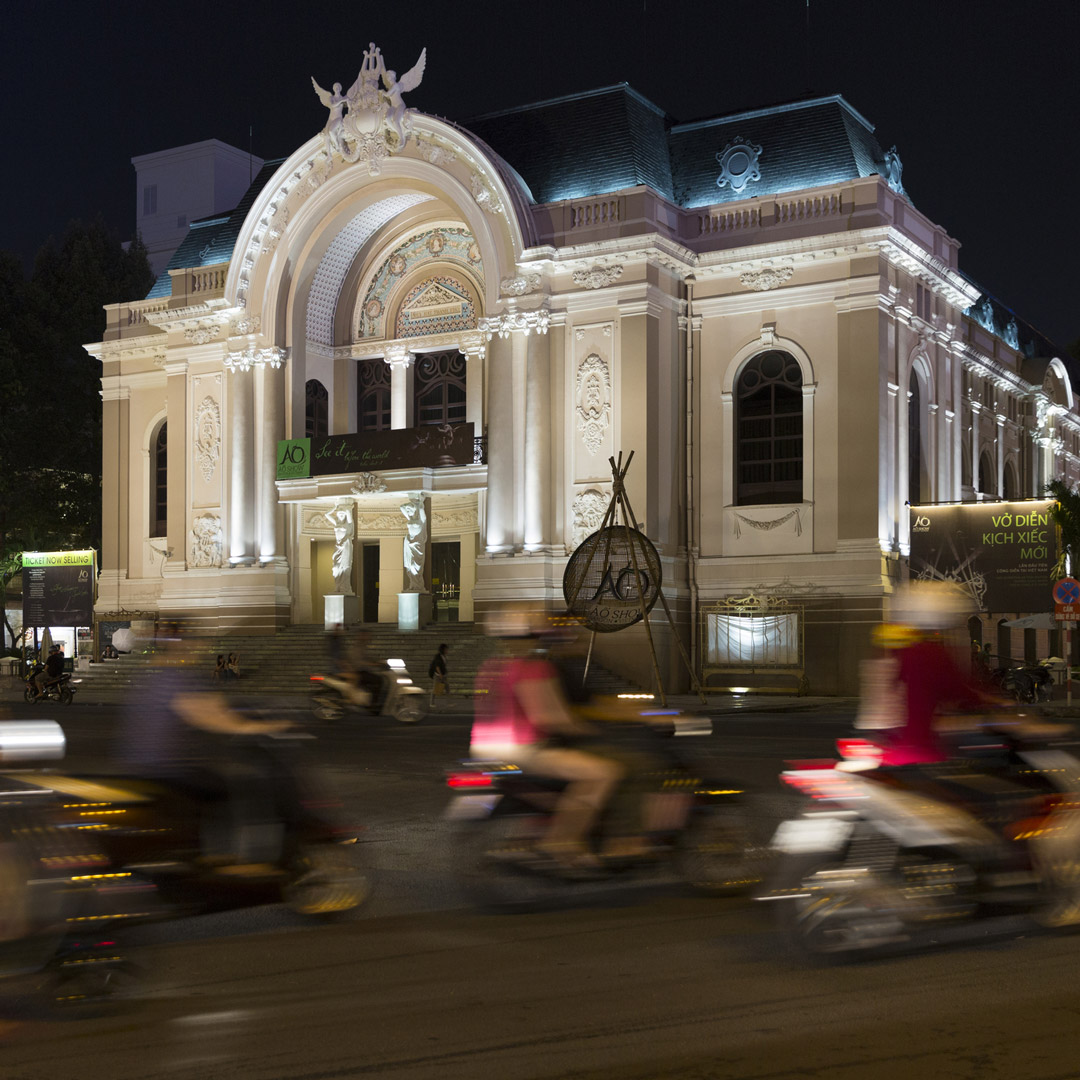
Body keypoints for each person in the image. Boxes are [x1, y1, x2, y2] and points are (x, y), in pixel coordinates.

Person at [470, 608, 624, 870]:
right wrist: (590, 730)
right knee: (604, 773)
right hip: (523, 751)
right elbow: (550, 718)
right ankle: (561, 842)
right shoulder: (533, 668)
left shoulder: (490, 667)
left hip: (483, 749)